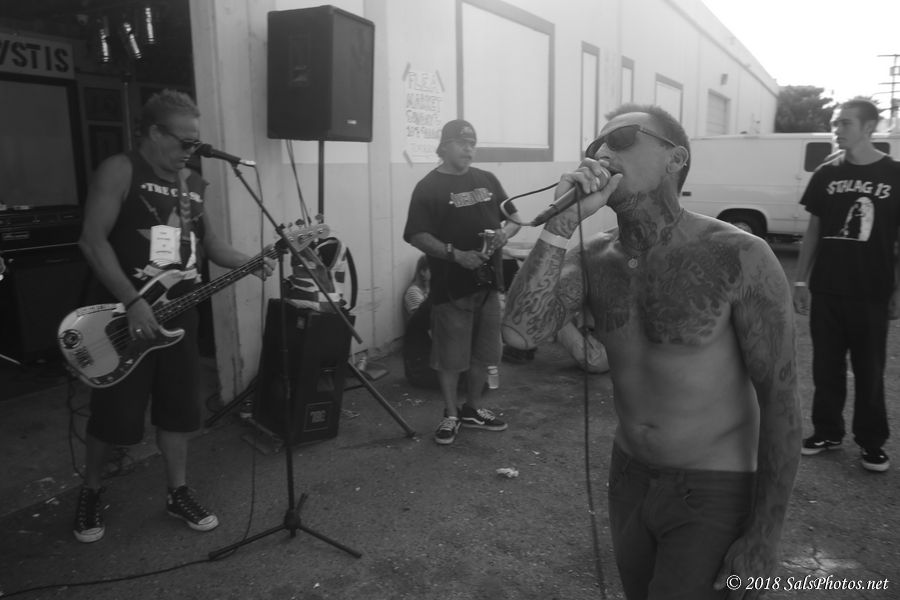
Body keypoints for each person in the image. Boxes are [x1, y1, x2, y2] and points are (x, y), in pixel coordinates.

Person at [502, 104, 800, 599]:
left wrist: (765, 535)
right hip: (630, 479)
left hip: (713, 487)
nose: (601, 153)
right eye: (594, 145)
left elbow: (781, 399)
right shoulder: (594, 257)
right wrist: (559, 223)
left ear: (674, 159)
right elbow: (520, 333)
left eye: (621, 139)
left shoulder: (739, 255)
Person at [73, 89, 274, 543]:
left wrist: (252, 261)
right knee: (112, 415)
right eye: (184, 142)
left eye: (195, 142)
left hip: (180, 317)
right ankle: (90, 491)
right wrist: (133, 300)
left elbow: (211, 245)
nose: (191, 150)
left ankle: (177, 492)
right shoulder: (121, 169)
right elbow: (92, 240)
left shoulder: (193, 182)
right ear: (154, 133)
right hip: (125, 317)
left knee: (178, 412)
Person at [793, 98, 900, 473]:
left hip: (872, 290)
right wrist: (801, 279)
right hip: (827, 288)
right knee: (826, 367)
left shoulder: (895, 174)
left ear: (869, 127)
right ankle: (827, 432)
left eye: (845, 123)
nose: (837, 129)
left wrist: (897, 290)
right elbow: (814, 229)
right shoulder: (826, 173)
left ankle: (872, 442)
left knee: (869, 370)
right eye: (835, 123)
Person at [403, 119, 521, 445]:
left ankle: (472, 409)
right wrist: (455, 254)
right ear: (444, 147)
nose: (469, 149)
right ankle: (451, 414)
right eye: (462, 143)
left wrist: (504, 235)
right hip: (451, 288)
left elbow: (514, 219)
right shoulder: (429, 187)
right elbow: (416, 234)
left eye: (472, 144)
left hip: (489, 285)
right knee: (451, 358)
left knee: (485, 354)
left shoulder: (487, 180)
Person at [403, 254, 431, 323]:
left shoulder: (427, 289)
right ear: (422, 272)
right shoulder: (413, 291)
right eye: (432, 269)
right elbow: (422, 321)